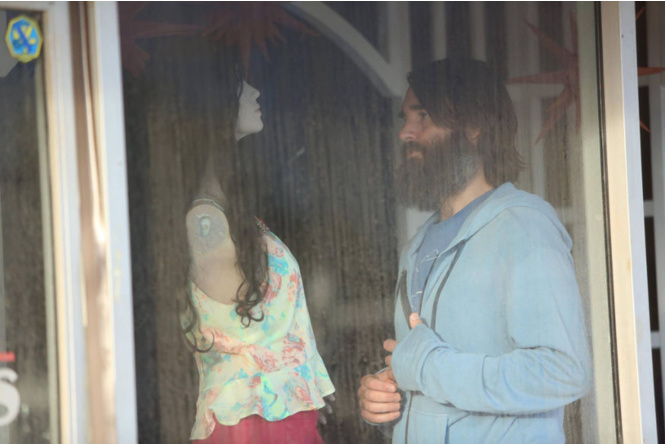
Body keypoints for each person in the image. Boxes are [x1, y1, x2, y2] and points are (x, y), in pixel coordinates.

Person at [357, 58, 591, 443]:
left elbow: (561, 372)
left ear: (474, 127)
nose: (405, 132)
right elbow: (427, 372)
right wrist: (386, 393)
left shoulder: (524, 227)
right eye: (405, 118)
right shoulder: (416, 246)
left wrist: (426, 367)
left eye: (424, 116)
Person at [174, 51, 335, 442]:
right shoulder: (205, 221)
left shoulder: (228, 213)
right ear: (214, 102)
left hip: (275, 413)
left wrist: (303, 380)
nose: (255, 91)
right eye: (239, 82)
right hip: (251, 421)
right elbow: (245, 323)